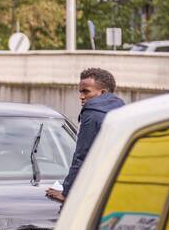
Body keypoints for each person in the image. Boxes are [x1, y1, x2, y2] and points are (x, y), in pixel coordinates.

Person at [47, 68, 125, 203]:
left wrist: (67, 192)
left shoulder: (92, 113)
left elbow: (82, 155)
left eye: (86, 92)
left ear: (102, 92)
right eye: (80, 92)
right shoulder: (121, 110)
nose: (81, 97)